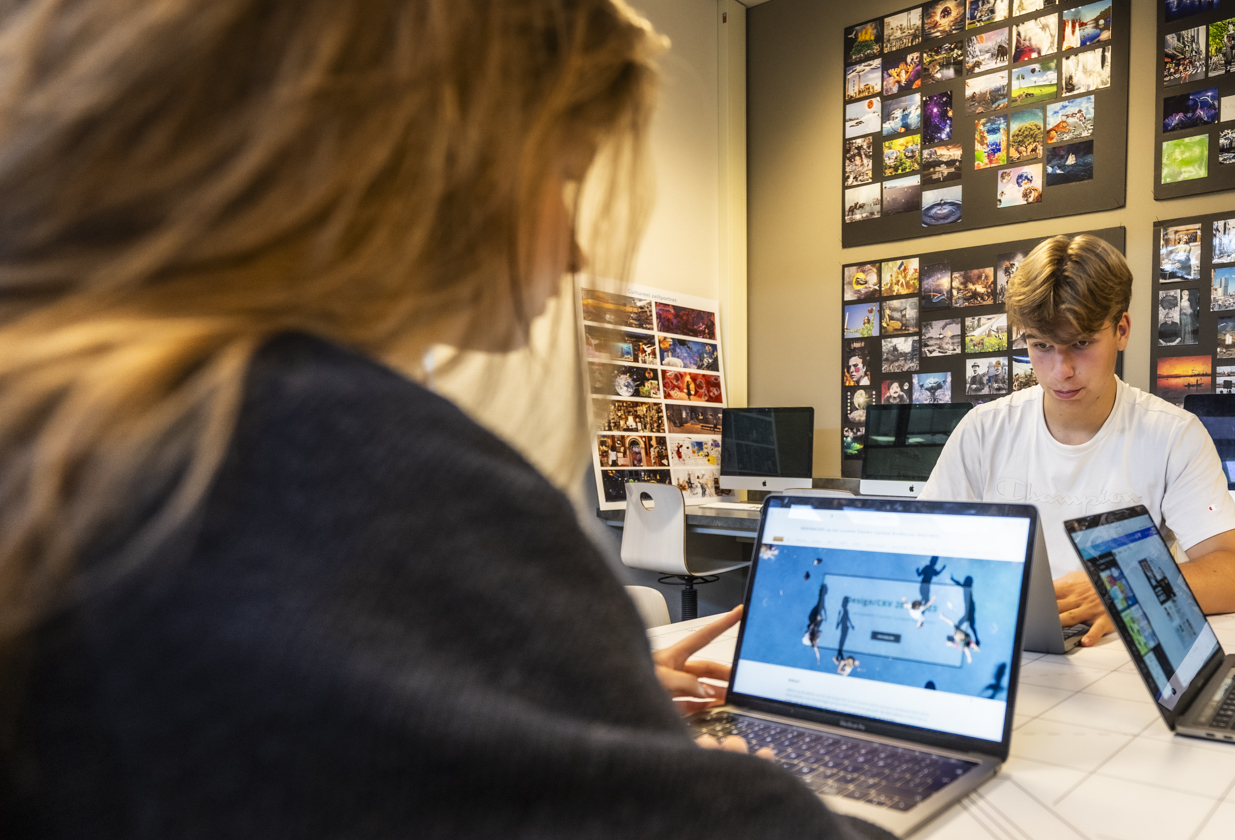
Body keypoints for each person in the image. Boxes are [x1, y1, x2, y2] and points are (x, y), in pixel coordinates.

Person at [0, 2, 886, 838]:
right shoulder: (339, 460)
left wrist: (556, 696)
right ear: (427, 161)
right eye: (563, 177)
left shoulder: (73, 429)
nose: (578, 245)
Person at [920, 234, 1235, 647]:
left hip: (1120, 656)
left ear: (1121, 329)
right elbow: (924, 555)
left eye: (1081, 343)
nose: (1060, 370)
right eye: (1041, 346)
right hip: (1003, 645)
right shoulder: (983, 430)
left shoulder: (1172, 435)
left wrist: (1123, 589)